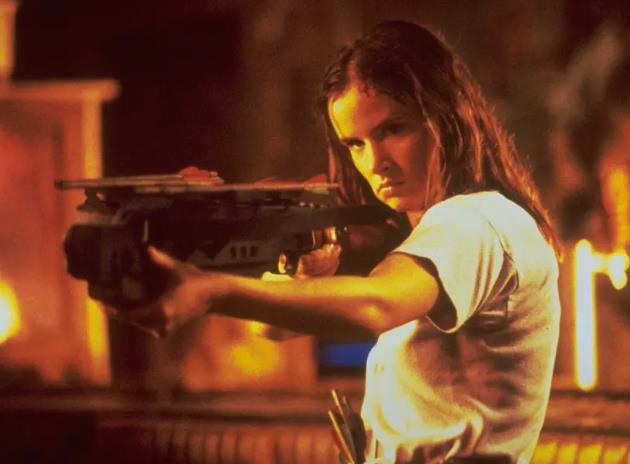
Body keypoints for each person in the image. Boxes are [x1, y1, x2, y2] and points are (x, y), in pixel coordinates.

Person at [117, 20, 561, 464]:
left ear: (446, 119)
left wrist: (212, 290)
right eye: (355, 143)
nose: (375, 162)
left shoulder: (474, 220)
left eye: (393, 129)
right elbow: (270, 329)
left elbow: (374, 307)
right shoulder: (446, 230)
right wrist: (301, 280)